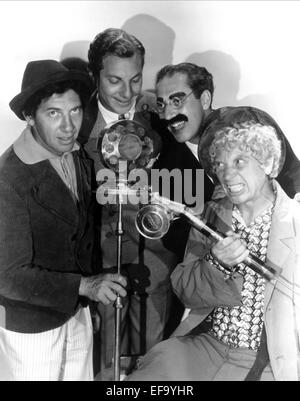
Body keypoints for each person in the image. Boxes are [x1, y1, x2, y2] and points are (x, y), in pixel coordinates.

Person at [127, 118, 300, 381]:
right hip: (209, 346)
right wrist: (215, 263)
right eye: (220, 164)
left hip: (271, 360)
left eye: (239, 162)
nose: (227, 175)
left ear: (267, 162)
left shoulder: (295, 221)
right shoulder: (212, 215)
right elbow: (186, 292)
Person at [0, 59, 127, 381]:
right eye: (53, 113)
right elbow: (8, 276)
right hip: (32, 326)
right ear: (30, 117)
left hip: (77, 311)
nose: (69, 126)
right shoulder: (8, 179)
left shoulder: (77, 155)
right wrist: (86, 286)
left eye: (74, 111)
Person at [78, 28, 180, 373]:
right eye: (114, 81)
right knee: (104, 368)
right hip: (97, 274)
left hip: (154, 269)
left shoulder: (161, 116)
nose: (126, 92)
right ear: (96, 77)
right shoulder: (74, 122)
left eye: (135, 80)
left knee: (150, 369)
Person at [154, 62, 300, 199]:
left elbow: (294, 180)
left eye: (177, 102)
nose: (167, 115)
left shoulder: (249, 125)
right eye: (161, 105)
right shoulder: (165, 160)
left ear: (205, 99)